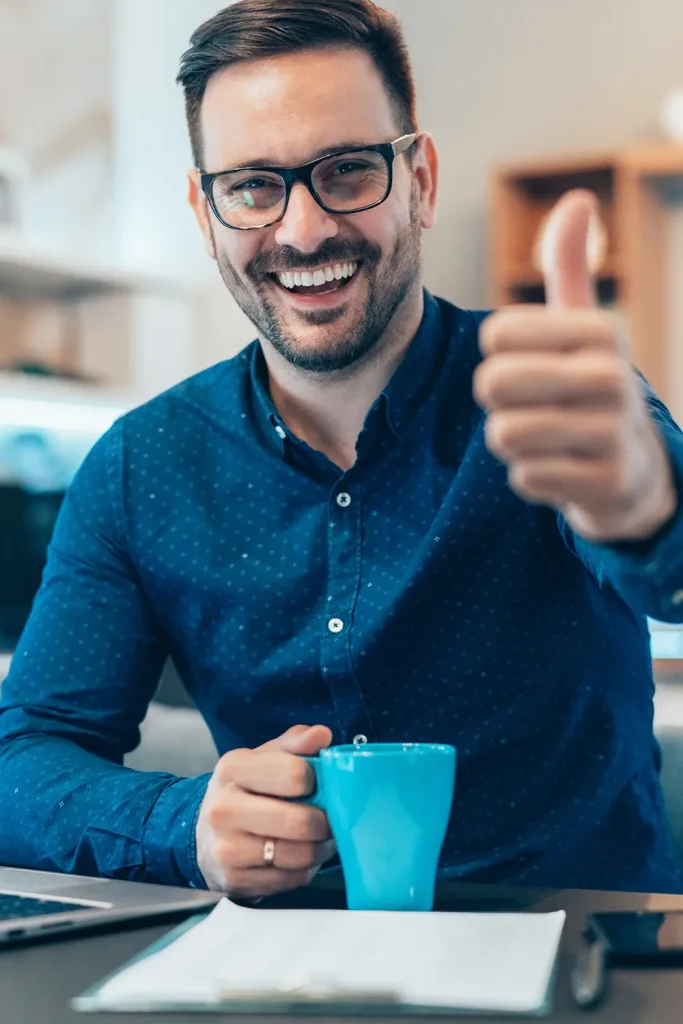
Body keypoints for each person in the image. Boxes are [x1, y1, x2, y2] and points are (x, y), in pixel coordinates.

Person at [1, 0, 682, 900]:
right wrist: (185, 824)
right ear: (205, 213)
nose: (303, 230)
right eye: (251, 185)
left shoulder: (548, 391)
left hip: (581, 957)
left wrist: (647, 514)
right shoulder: (140, 465)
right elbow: (24, 757)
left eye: (348, 170)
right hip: (278, 971)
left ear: (421, 180)